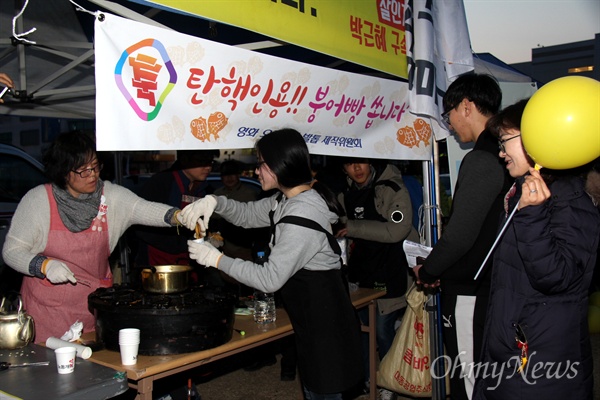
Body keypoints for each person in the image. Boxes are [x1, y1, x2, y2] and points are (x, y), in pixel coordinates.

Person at [179, 128, 364, 399]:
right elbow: (248, 214)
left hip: (327, 326)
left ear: (280, 165)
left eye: (261, 164)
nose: (256, 172)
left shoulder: (301, 213)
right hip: (312, 318)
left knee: (324, 390)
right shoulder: (287, 199)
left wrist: (216, 259)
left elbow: (269, 279)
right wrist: (214, 201)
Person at [1, 131, 182, 343]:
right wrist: (44, 266)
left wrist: (180, 216)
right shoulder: (38, 200)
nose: (93, 175)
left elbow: (143, 209)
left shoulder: (110, 197)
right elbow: (12, 251)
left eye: (95, 166)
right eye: (83, 170)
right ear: (63, 172)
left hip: (93, 307)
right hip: (48, 313)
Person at [472, 100, 600, 399]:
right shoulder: (526, 191)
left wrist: (531, 217)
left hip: (543, 367)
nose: (501, 152)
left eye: (505, 141)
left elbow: (556, 278)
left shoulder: (571, 201)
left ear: (538, 137)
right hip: (513, 355)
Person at [413, 73, 512, 400]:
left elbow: (460, 236)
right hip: (491, 283)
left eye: (449, 114)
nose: (451, 125)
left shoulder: (483, 158)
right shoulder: (503, 151)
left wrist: (429, 271)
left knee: (469, 379)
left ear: (467, 106)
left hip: (472, 288)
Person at [335, 157, 418, 399]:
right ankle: (367, 377)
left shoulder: (393, 188)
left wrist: (352, 227)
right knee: (361, 328)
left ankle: (390, 381)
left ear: (370, 162)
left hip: (391, 270)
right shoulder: (344, 195)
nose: (357, 168)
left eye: (360, 162)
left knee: (382, 330)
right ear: (344, 169)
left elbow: (397, 230)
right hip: (361, 273)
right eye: (350, 164)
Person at [135, 149, 219, 267]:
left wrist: (211, 237)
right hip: (157, 261)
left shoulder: (206, 190)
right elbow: (140, 226)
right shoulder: (160, 183)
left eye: (210, 162)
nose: (208, 167)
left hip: (189, 262)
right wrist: (182, 244)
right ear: (184, 160)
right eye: (202, 161)